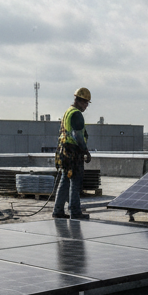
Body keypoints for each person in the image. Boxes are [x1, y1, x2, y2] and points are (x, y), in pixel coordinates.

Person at [53, 87, 93, 220]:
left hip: (64, 152)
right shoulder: (76, 114)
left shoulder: (68, 112)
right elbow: (78, 136)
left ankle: (58, 210)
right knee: (75, 182)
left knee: (65, 181)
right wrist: (85, 151)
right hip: (74, 153)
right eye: (86, 103)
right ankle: (75, 212)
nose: (86, 106)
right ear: (80, 101)